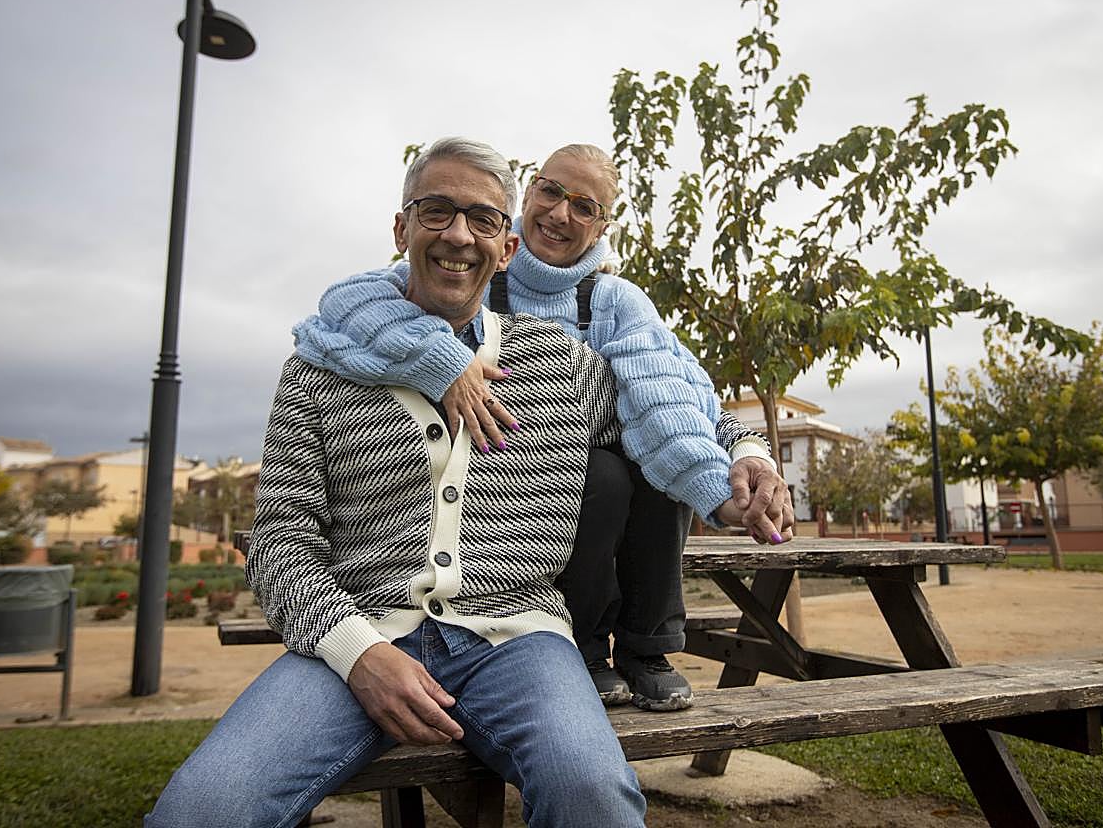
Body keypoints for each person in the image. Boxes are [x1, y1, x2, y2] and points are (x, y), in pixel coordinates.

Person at [148, 138, 757, 826]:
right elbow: (280, 542)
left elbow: (669, 411)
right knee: (201, 810)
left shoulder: (555, 361)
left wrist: (749, 454)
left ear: (506, 247)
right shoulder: (319, 368)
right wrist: (359, 653)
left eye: (483, 219)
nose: (458, 236)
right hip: (355, 642)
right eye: (436, 211)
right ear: (401, 228)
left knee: (594, 796)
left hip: (520, 640)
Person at [294, 143, 794, 711]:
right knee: (602, 474)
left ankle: (646, 646)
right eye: (551, 192)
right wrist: (445, 361)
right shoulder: (465, 271)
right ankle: (580, 645)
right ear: (527, 194)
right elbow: (353, 302)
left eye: (584, 206)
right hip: (491, 501)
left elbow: (676, 404)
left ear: (604, 225)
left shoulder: (613, 303)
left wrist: (744, 455)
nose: (560, 214)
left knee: (643, 460)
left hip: (593, 476)